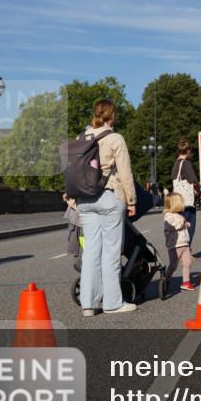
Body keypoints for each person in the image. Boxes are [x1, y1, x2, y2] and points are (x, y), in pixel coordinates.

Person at [76, 99, 139, 316]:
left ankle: (88, 304)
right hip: (108, 197)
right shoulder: (115, 138)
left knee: (91, 253)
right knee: (111, 253)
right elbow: (125, 173)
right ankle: (113, 303)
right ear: (112, 116)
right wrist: (131, 200)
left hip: (84, 201)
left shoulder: (80, 138)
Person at [163, 193, 196, 291]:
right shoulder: (168, 216)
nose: (183, 205)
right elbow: (173, 227)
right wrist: (183, 224)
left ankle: (186, 282)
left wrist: (187, 224)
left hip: (184, 243)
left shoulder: (178, 215)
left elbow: (183, 226)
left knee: (188, 263)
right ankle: (166, 278)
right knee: (173, 265)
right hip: (175, 244)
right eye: (181, 203)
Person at [170, 140, 200, 242]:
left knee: (180, 224)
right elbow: (193, 181)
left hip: (178, 200)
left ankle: (180, 247)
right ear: (188, 151)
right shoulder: (186, 163)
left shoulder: (175, 164)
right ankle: (186, 249)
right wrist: (199, 191)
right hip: (187, 201)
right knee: (189, 224)